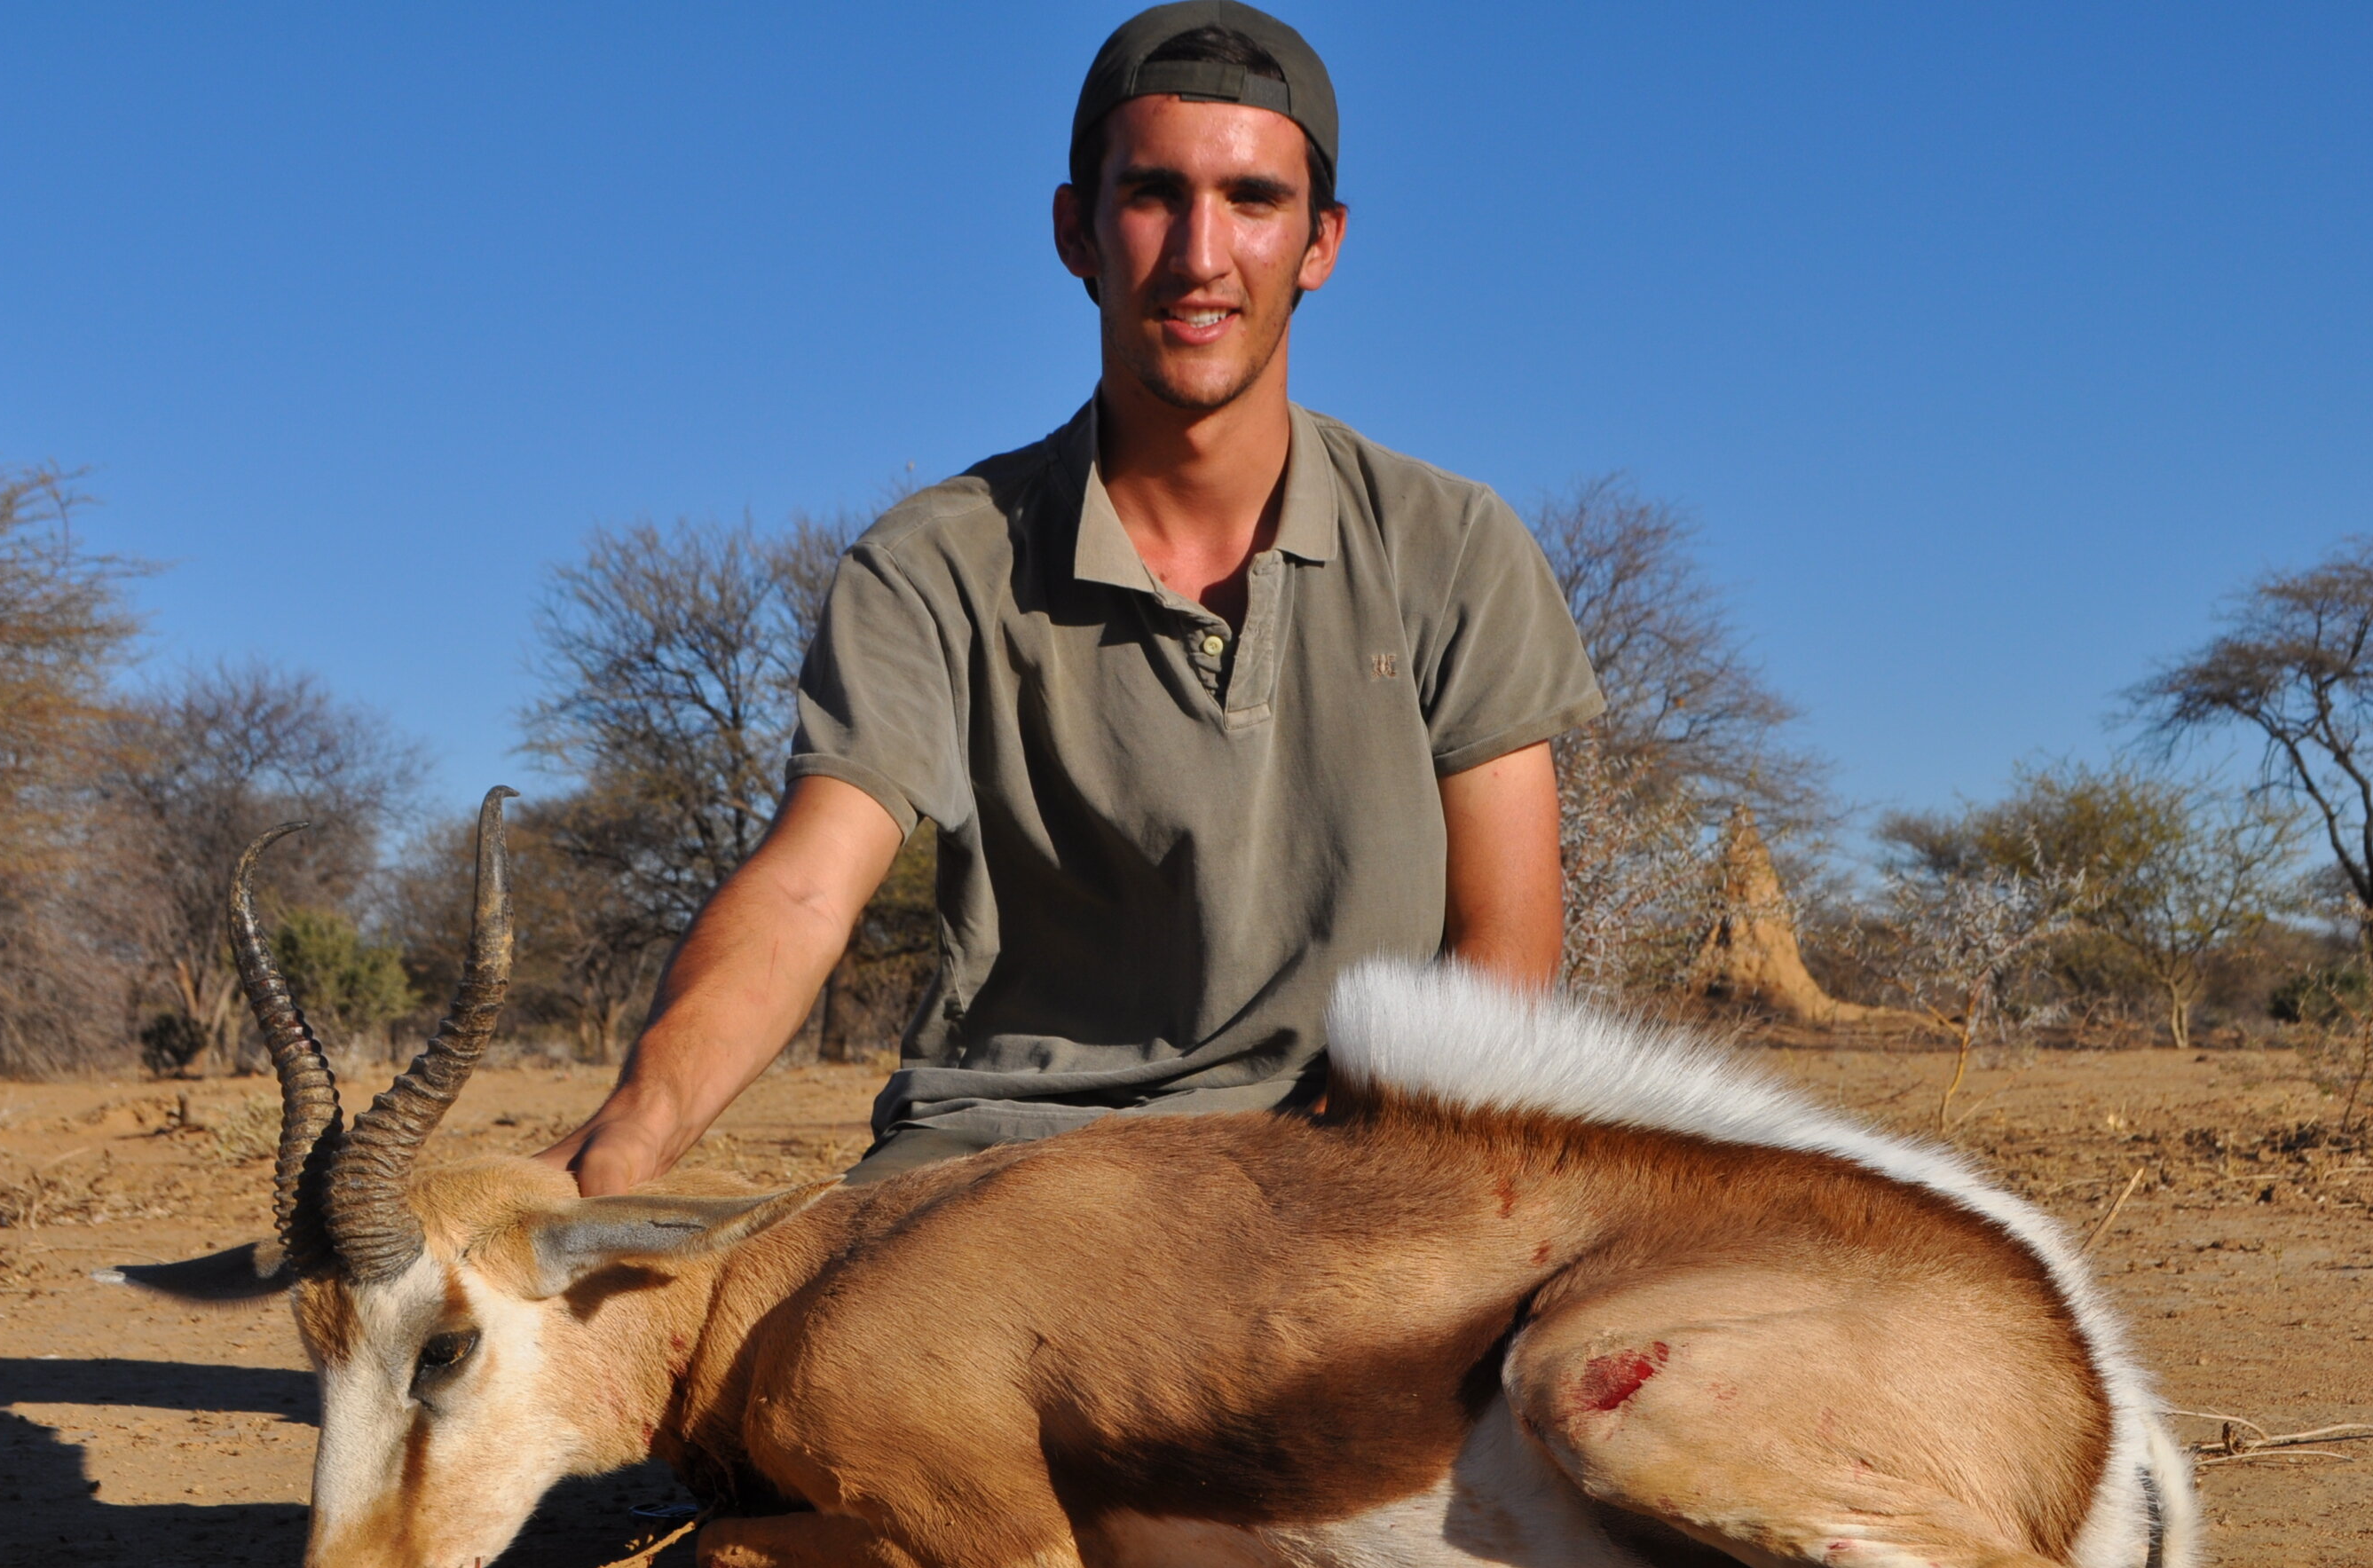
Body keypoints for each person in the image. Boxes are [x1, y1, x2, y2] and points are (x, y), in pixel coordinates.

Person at [544, 1, 1603, 1195]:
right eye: (1154, 194)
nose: (1201, 255)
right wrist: (637, 1127)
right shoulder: (931, 563)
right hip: (1002, 1175)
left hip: (1341, 1168)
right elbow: (802, 886)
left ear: (1321, 244)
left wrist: (1358, 1172)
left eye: (1254, 201)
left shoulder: (1454, 545)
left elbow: (1506, 945)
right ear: (1077, 232)